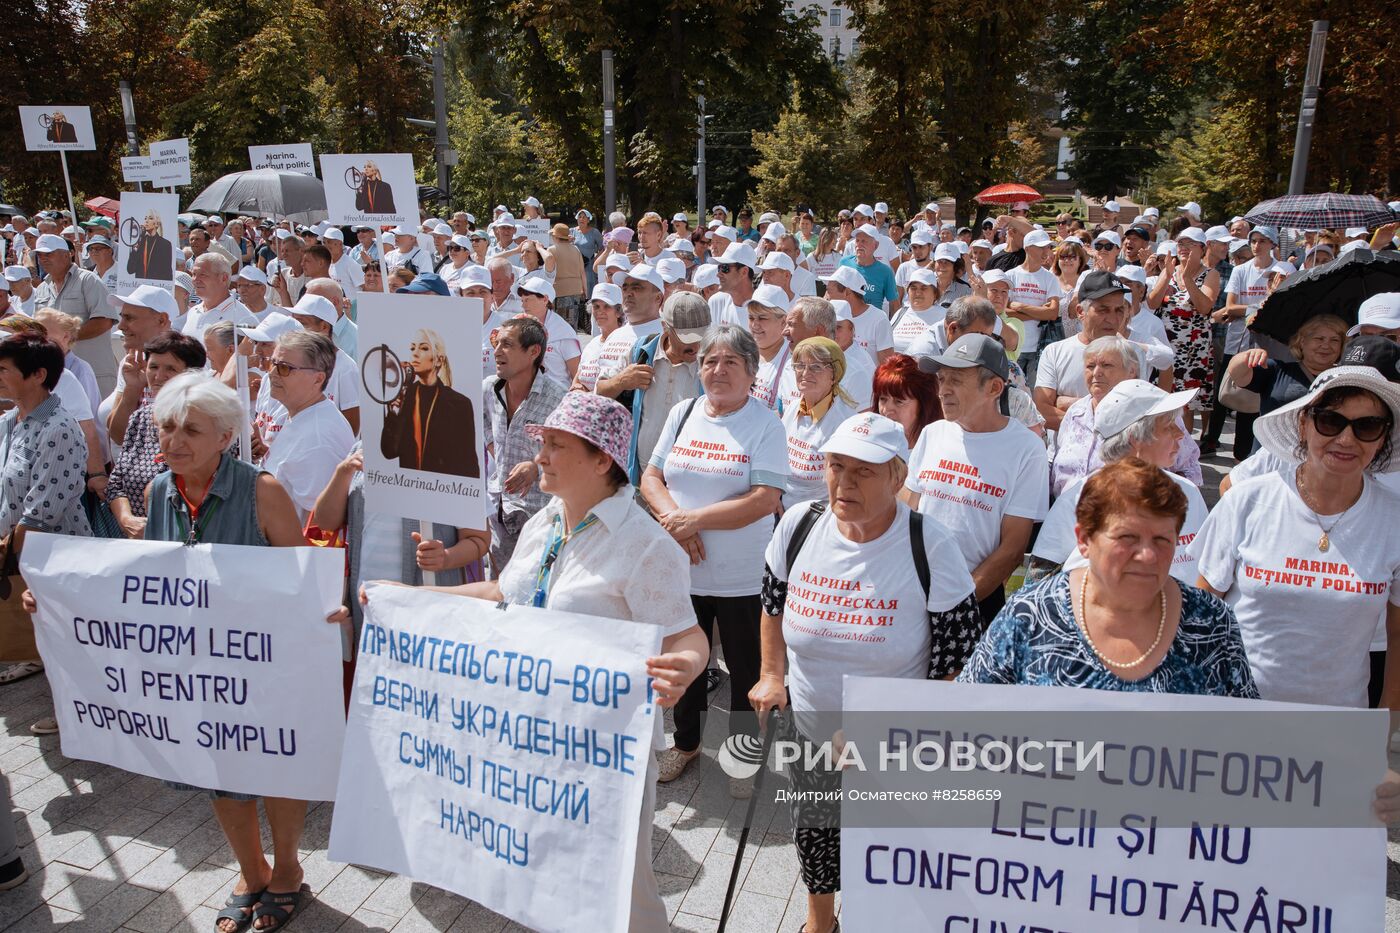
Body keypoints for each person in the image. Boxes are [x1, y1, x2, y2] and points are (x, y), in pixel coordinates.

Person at [356, 391, 707, 932]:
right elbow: (505, 592)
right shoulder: (544, 523)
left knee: (619, 879)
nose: (539, 455)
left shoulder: (645, 544)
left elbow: (687, 635)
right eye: (542, 443)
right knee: (548, 864)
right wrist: (407, 597)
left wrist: (683, 665)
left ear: (602, 460)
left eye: (555, 446)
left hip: (603, 743)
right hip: (530, 728)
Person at [749, 412, 980, 933]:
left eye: (864, 471)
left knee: (893, 849)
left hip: (896, 742)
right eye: (835, 466)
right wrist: (770, 673)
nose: (844, 482)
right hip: (810, 723)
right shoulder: (800, 524)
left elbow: (959, 661)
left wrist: (879, 730)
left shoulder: (931, 544)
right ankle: (819, 922)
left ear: (899, 477)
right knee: (815, 831)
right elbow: (772, 602)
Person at [959, 459, 1257, 698]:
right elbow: (965, 716)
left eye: (1163, 540)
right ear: (1084, 539)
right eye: (1127, 537)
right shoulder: (1031, 615)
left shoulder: (1211, 622)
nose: (1148, 555)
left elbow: (1243, 739)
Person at [1193, 366, 1400, 710]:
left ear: (1382, 438)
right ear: (1304, 424)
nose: (1346, 439)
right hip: (1230, 713)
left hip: (1337, 727)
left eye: (1367, 426)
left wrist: (1387, 718)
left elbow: (1398, 636)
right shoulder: (1247, 501)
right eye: (1330, 421)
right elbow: (1200, 611)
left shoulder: (1394, 518)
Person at [641, 325, 786, 788]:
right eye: (709, 361)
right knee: (685, 662)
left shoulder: (766, 423)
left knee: (745, 670)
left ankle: (742, 760)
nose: (718, 370)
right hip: (682, 571)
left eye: (730, 362)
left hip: (741, 578)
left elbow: (765, 499)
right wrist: (676, 523)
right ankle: (685, 745)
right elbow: (651, 478)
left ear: (751, 371)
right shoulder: (683, 412)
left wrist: (694, 521)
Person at [905, 335, 1048, 621]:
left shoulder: (1027, 450)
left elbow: (1012, 548)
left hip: (973, 604)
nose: (942, 391)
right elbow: (907, 510)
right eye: (941, 379)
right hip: (910, 593)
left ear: (994, 387)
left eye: (955, 381)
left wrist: (956, 605)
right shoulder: (933, 434)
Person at [1033, 379, 1206, 583]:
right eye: (1169, 426)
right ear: (1135, 437)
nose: (1179, 435)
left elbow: (1210, 569)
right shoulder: (1080, 498)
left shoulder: (1187, 492)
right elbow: (1041, 579)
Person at [1050, 334, 1202, 495]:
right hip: (1066, 511)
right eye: (1090, 366)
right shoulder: (1076, 412)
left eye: (1106, 365)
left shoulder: (1157, 414)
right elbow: (1054, 460)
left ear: (1132, 371)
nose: (1096, 373)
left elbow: (1189, 471)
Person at [1033, 270, 1174, 430]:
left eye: (1119, 310)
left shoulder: (1134, 350)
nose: (1113, 319)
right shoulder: (1054, 352)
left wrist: (1070, 404)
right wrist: (1099, 425)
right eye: (1103, 310)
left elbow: (1166, 361)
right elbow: (1042, 411)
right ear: (1080, 312)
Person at [483, 316, 568, 575]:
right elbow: (486, 424)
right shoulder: (488, 389)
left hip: (539, 520)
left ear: (533, 352)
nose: (497, 351)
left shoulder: (558, 400)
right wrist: (497, 450)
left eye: (507, 344)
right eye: (497, 343)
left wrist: (535, 468)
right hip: (497, 516)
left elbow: (569, 457)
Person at [599, 290, 709, 485]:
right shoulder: (640, 351)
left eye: (700, 335)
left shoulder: (713, 361)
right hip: (636, 479)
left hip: (686, 484)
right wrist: (622, 381)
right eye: (686, 336)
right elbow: (600, 391)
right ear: (665, 326)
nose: (695, 344)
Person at [106, 332, 207, 538]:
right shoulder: (140, 418)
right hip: (134, 540)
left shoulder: (208, 423)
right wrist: (127, 520)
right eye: (153, 367)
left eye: (171, 369)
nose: (158, 376)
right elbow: (116, 483)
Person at [261, 331, 355, 523]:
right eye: (273, 363)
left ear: (318, 379)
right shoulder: (304, 414)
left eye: (285, 368)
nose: (272, 374)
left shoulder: (319, 438)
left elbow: (322, 524)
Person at [1147, 227, 1221, 433]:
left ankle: (1185, 457)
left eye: (1190, 245)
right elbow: (1152, 303)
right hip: (1166, 346)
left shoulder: (1210, 274)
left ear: (1203, 248)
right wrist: (1166, 275)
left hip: (1192, 350)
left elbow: (1205, 307)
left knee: (1184, 406)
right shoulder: (1169, 270)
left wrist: (1188, 279)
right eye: (1181, 244)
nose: (1184, 249)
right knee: (1162, 400)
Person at [378, 328, 478, 476]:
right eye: (412, 348)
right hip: (408, 487)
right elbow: (389, 452)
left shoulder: (459, 403)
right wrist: (393, 413)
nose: (415, 353)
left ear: (439, 360)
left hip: (443, 491)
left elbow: (468, 463)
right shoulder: (403, 396)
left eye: (424, 348)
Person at [32, 234, 118, 397]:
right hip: (57, 376)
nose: (43, 259)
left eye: (48, 254)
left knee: (96, 421)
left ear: (67, 254)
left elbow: (104, 321)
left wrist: (65, 337)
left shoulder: (88, 280)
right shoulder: (42, 288)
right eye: (39, 255)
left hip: (93, 372)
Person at [1226, 314, 1347, 428]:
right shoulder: (1277, 370)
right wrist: (1245, 357)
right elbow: (1238, 375)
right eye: (1319, 338)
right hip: (1272, 448)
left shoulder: (1347, 379)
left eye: (1335, 340)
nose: (1326, 345)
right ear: (1302, 342)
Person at [781, 337, 859, 505]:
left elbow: (844, 483)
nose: (805, 373)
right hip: (780, 505)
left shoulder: (845, 423)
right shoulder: (793, 408)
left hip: (818, 514)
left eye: (816, 367)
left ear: (834, 375)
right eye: (800, 365)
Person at [516, 275, 581, 385]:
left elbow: (577, 374)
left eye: (527, 300)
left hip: (558, 396)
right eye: (522, 300)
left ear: (545, 299)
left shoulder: (563, 332)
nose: (523, 305)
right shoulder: (518, 325)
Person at [872, 353, 942, 447]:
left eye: (899, 401)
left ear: (924, 404)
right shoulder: (870, 446)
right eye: (883, 399)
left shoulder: (941, 449)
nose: (886, 410)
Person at [571, 283, 625, 391]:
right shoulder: (592, 345)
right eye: (596, 307)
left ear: (618, 312)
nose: (600, 311)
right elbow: (576, 382)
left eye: (607, 306)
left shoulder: (627, 343)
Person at [746, 283, 792, 409]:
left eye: (762, 318)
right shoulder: (742, 351)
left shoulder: (793, 360)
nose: (755, 325)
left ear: (783, 322)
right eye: (751, 318)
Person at [889, 267, 943, 353]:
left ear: (935, 293)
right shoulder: (901, 313)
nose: (918, 293)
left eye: (924, 288)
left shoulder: (944, 316)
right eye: (913, 288)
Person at [127, 210, 176, 281]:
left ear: (157, 224)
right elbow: (130, 270)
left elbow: (167, 272)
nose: (146, 221)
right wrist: (135, 248)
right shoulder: (138, 242)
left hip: (156, 287)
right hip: (139, 286)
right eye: (145, 218)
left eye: (150, 218)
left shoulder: (165, 244)